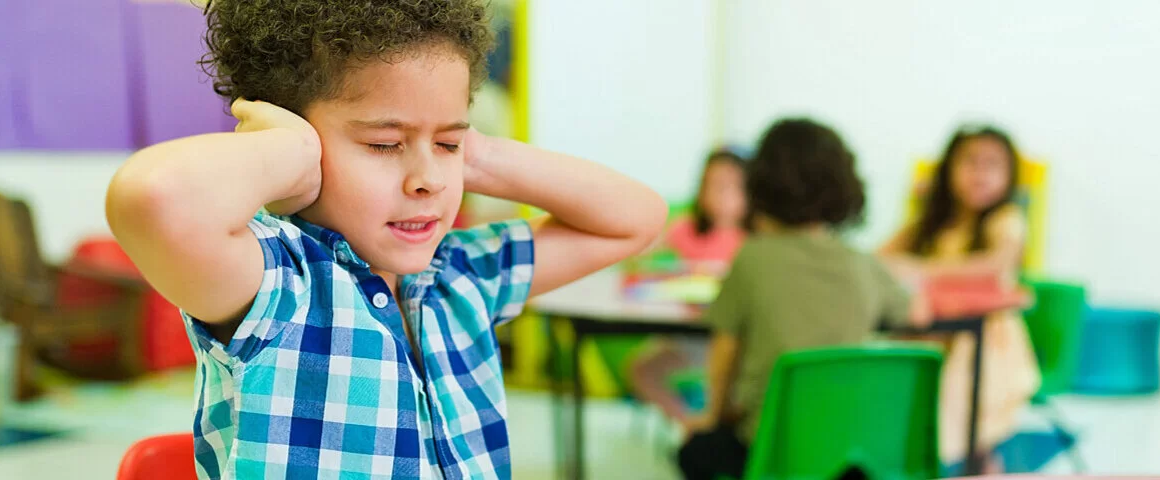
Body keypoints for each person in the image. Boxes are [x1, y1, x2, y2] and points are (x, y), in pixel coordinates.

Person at [105, 1, 668, 478]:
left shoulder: (461, 279)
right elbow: (155, 198)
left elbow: (636, 217)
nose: (428, 179)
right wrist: (293, 152)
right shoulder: (276, 284)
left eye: (447, 145)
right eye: (383, 144)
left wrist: (476, 152)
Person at [676, 118, 929, 480]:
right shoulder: (861, 262)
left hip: (771, 450)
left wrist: (713, 415)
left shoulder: (752, 258)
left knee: (697, 450)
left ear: (760, 183)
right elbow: (916, 314)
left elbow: (724, 354)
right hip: (853, 455)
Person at [879, 125, 1041, 470]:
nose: (980, 174)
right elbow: (880, 258)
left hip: (988, 341)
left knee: (962, 393)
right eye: (970, 162)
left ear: (1009, 176)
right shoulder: (930, 223)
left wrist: (922, 269)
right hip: (931, 333)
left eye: (992, 165)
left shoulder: (1005, 220)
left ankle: (971, 460)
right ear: (948, 168)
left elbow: (997, 264)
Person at [628, 148, 748, 425]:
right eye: (713, 186)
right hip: (685, 335)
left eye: (731, 187)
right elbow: (641, 255)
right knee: (641, 370)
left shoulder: (752, 240)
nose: (721, 195)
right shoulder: (687, 228)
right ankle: (690, 425)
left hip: (730, 339)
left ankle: (714, 423)